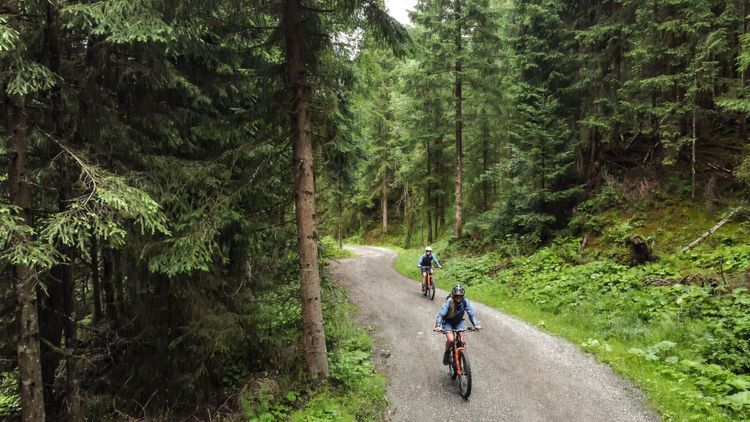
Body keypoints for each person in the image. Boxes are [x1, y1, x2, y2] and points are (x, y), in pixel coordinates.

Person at [434, 284, 481, 365]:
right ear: (453, 295)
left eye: (460, 296)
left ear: (463, 296)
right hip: (448, 322)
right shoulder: (449, 301)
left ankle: (462, 357)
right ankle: (447, 353)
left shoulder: (465, 301)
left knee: (462, 341)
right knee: (451, 340)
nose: (458, 298)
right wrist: (438, 326)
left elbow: (471, 314)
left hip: (459, 321)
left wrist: (476, 324)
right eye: (456, 296)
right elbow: (441, 315)